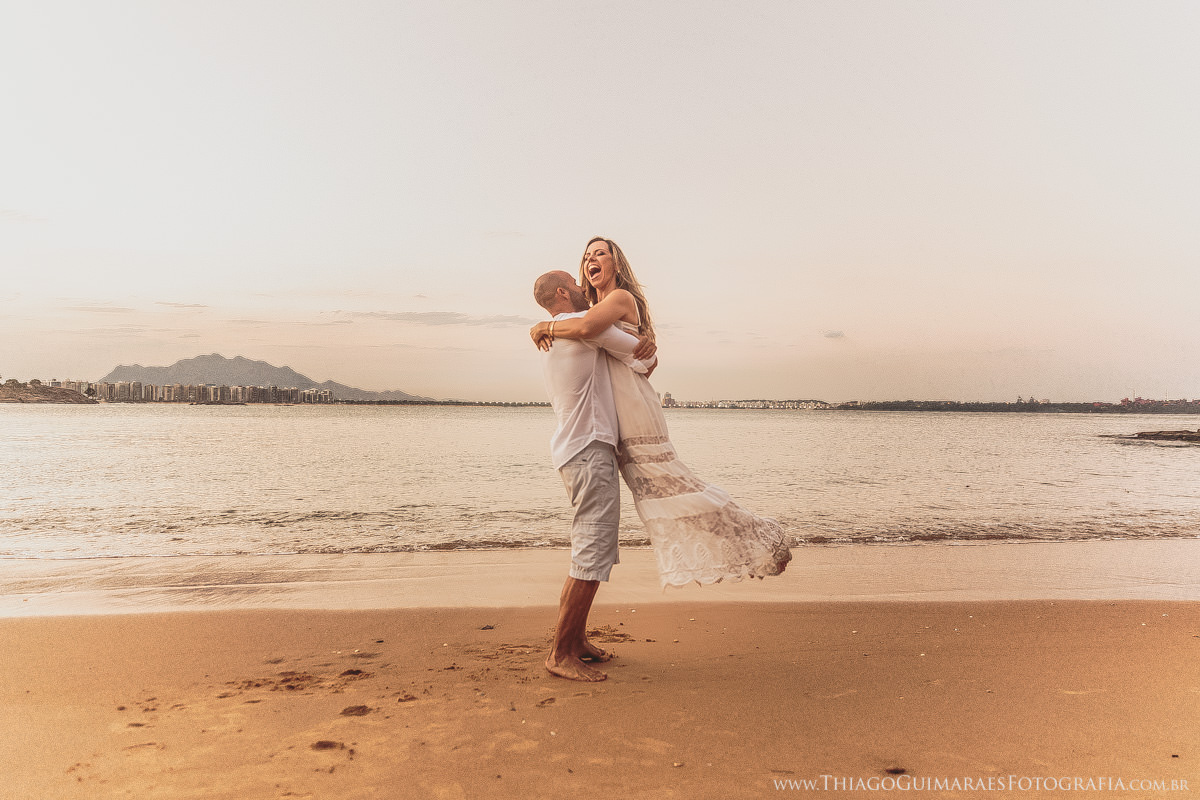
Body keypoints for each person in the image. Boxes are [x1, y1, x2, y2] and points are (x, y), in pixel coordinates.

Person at [531, 237, 791, 588]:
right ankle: (744, 544)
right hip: (615, 416)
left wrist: (541, 326)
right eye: (587, 256)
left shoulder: (617, 300)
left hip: (633, 406)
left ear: (616, 265)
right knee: (658, 496)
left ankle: (759, 539)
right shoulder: (594, 307)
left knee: (671, 485)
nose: (591, 260)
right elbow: (633, 353)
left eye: (600, 254)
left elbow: (597, 334)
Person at [532, 268, 657, 682]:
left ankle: (577, 642)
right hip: (588, 450)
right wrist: (646, 342)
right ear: (565, 292)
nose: (588, 290)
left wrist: (544, 326)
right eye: (578, 282)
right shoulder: (580, 328)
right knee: (591, 550)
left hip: (580, 450)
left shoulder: (564, 332)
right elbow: (646, 359)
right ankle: (561, 651)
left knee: (592, 547)